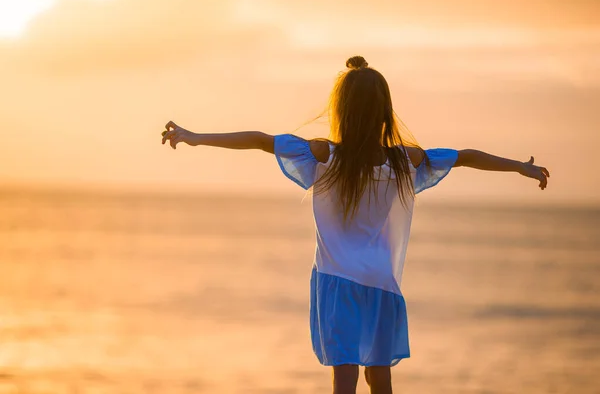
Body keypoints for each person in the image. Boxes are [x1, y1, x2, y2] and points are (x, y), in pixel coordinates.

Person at [160, 56, 550, 394]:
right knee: (379, 378)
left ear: (341, 109)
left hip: (337, 278)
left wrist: (196, 137)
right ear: (385, 111)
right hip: (382, 281)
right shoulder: (405, 161)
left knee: (343, 377)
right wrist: (519, 166)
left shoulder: (324, 154)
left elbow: (261, 140)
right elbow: (464, 156)